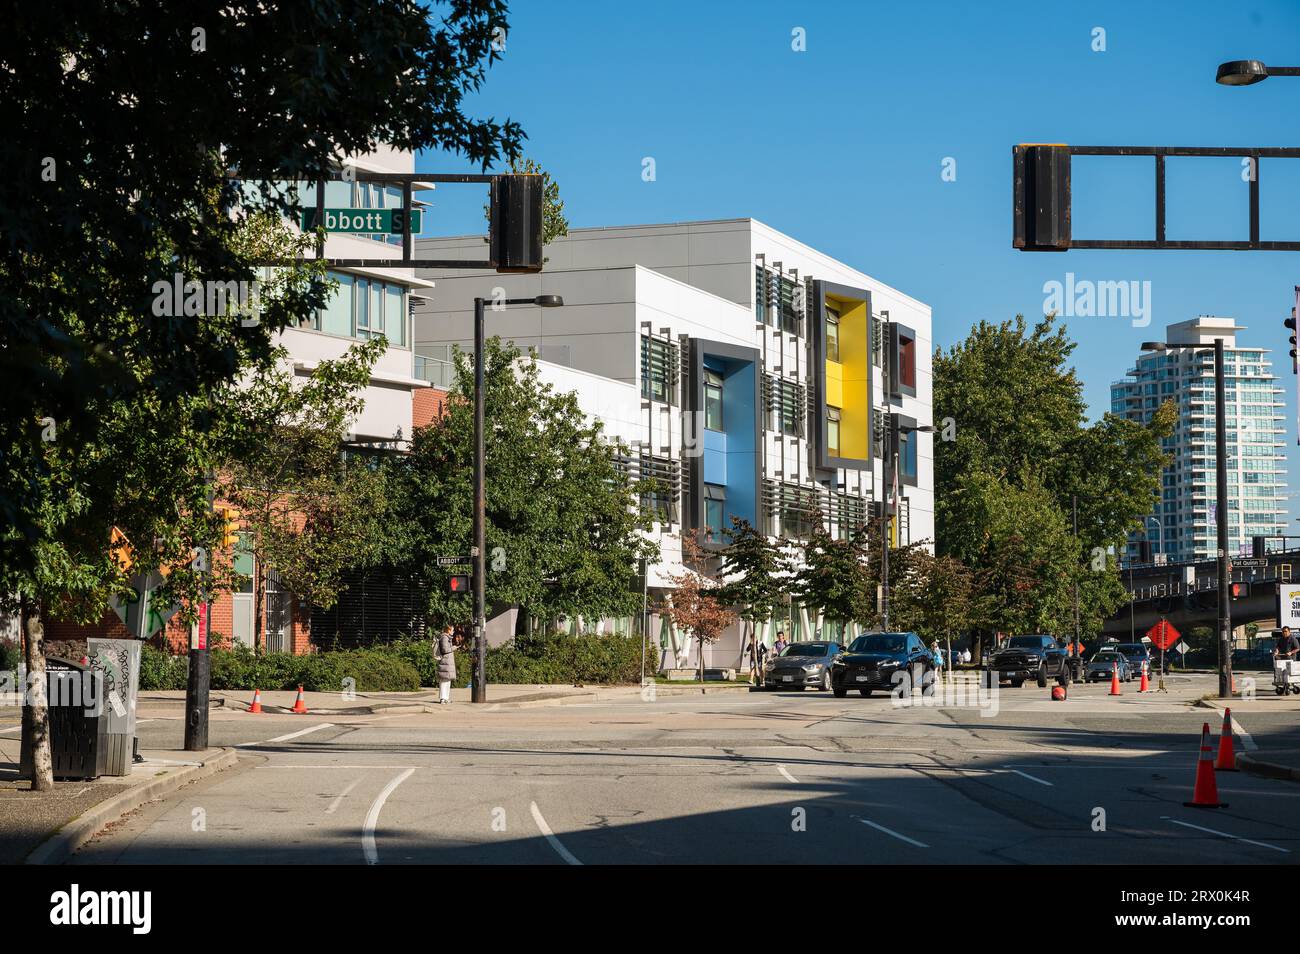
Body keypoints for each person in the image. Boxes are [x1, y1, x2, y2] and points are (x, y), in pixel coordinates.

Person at [434, 624, 457, 704]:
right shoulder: (444, 637)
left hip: (447, 663)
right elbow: (444, 649)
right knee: (444, 681)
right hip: (445, 662)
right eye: (452, 630)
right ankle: (442, 698)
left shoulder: (447, 637)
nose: (453, 631)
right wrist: (453, 648)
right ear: (448, 630)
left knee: (447, 681)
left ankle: (446, 698)